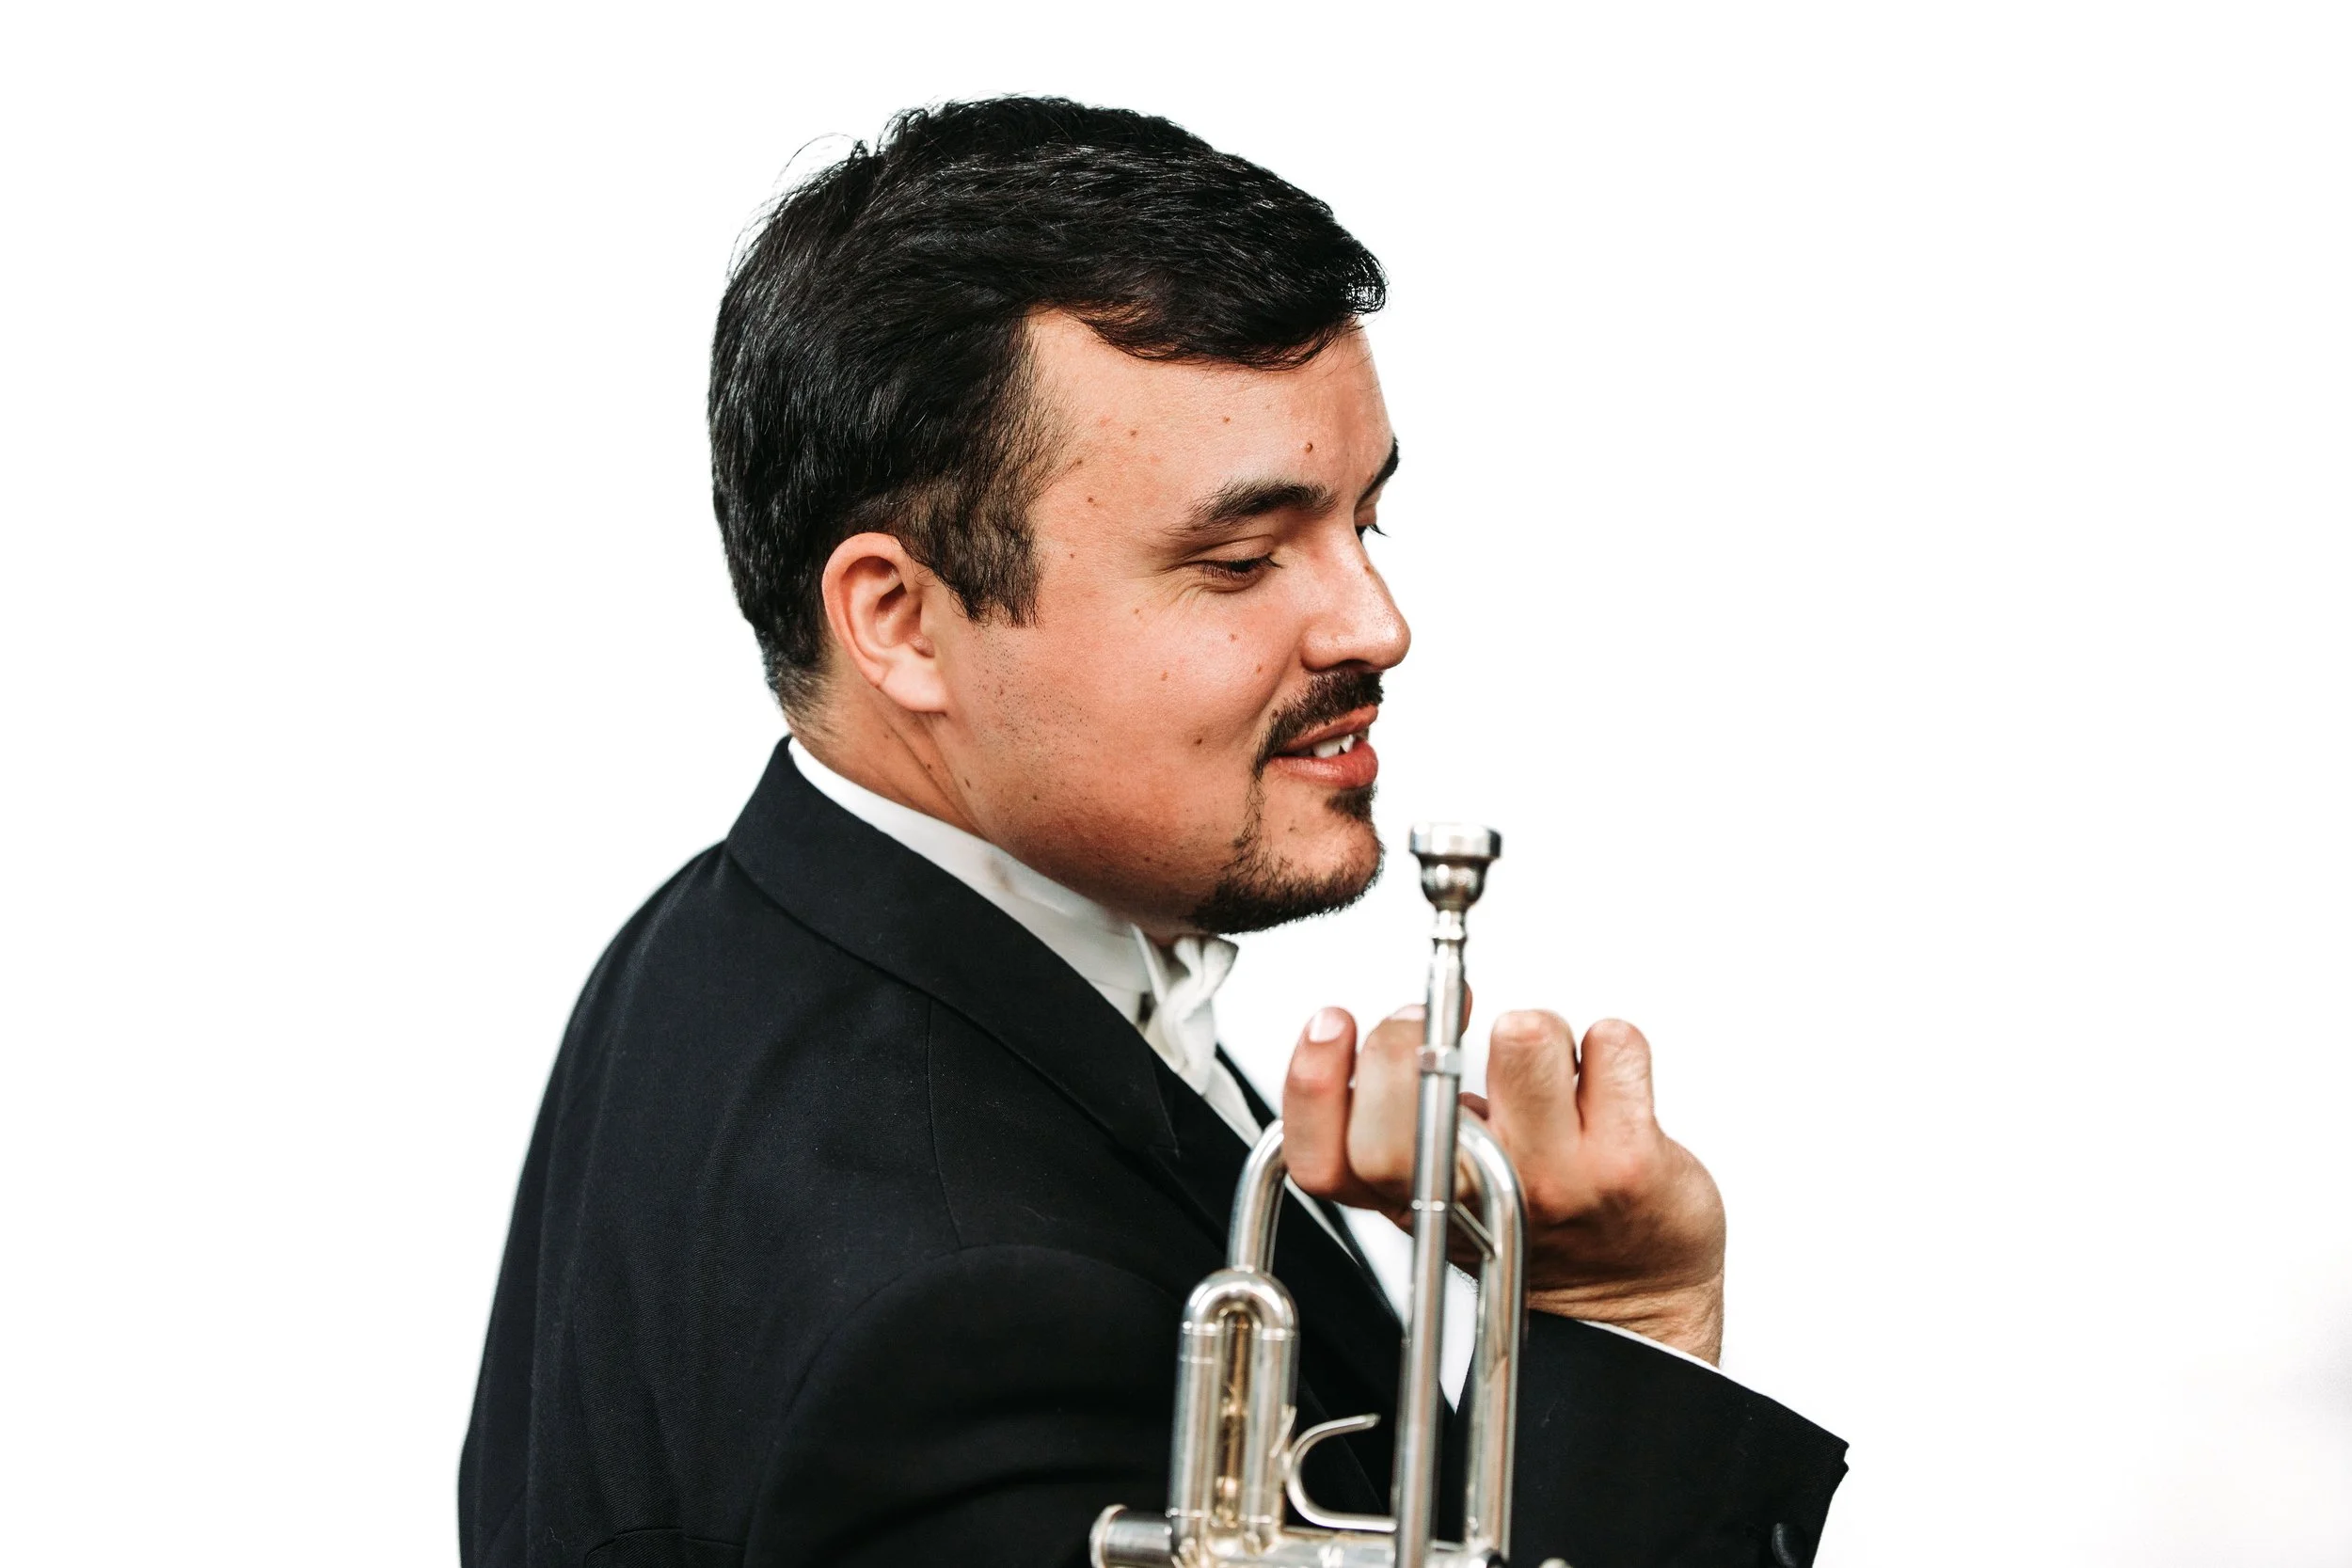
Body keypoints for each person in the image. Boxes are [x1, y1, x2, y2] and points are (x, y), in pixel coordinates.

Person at [460, 97, 1846, 1568]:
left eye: (1364, 523)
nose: (1379, 624)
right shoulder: (965, 1312)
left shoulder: (749, 921)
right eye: (1241, 558)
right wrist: (1624, 1324)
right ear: (900, 620)